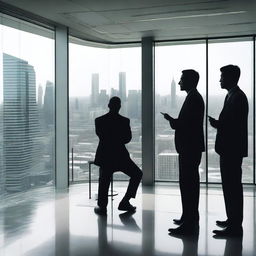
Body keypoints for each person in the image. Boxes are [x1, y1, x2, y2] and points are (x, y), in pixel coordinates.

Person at [162, 69, 205, 235]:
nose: (179, 83)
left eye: (182, 80)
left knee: (188, 186)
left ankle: (189, 222)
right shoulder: (193, 97)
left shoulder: (193, 98)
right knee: (189, 185)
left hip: (189, 148)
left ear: (190, 81)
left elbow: (185, 125)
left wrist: (172, 122)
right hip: (190, 148)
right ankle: (189, 217)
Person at [209, 65, 248, 237]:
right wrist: (219, 124)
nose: (220, 80)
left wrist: (218, 124)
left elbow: (233, 126)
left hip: (231, 150)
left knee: (232, 187)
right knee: (230, 187)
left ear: (231, 78)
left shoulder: (237, 97)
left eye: (222, 77)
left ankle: (234, 225)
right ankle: (232, 220)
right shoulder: (233, 96)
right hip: (230, 150)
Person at [94, 96, 143, 215]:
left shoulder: (99, 120)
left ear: (109, 105)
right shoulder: (125, 121)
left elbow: (102, 137)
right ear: (120, 107)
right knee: (137, 174)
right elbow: (127, 139)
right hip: (120, 156)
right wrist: (117, 138)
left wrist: (111, 138)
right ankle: (125, 201)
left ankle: (102, 207)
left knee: (104, 181)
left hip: (105, 156)